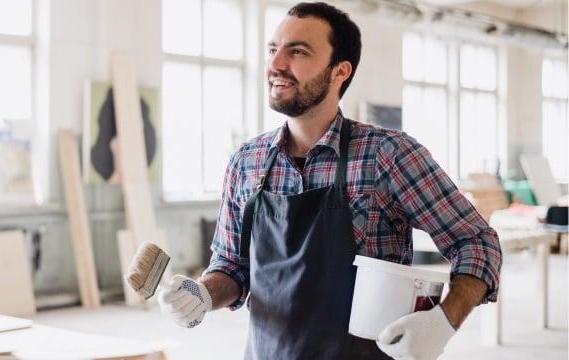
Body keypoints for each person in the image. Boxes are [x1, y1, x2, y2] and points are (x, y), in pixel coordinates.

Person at [159, 2, 502, 359]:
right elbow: (232, 267)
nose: (276, 65)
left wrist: (443, 322)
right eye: (273, 49)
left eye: (298, 52)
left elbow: (478, 242)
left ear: (340, 70)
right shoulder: (247, 162)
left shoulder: (387, 154)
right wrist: (202, 294)